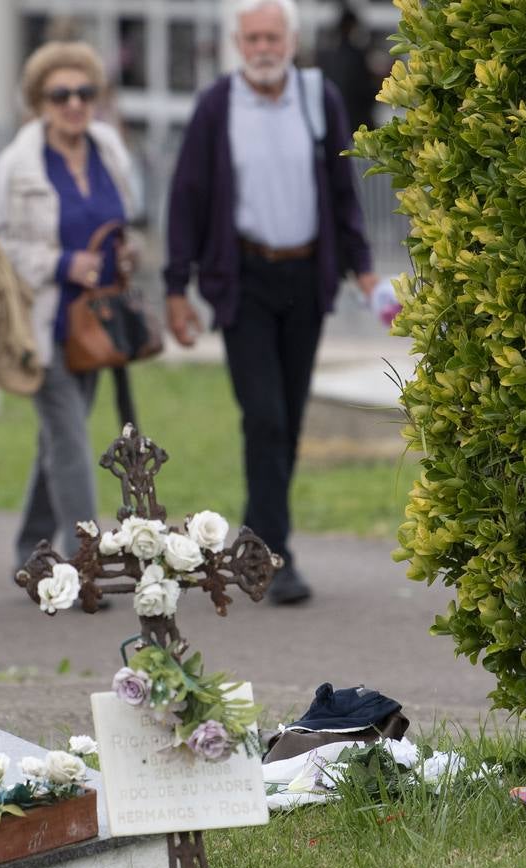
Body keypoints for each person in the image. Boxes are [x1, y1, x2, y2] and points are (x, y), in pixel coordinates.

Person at [163, 0, 377, 605]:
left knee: (288, 422)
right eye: (252, 36)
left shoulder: (318, 98)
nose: (262, 46)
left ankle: (256, 545)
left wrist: (362, 267)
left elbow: (342, 189)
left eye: (271, 35)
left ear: (290, 39)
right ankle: (272, 557)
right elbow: (188, 197)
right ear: (238, 41)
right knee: (265, 417)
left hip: (306, 279)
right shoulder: (218, 106)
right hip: (246, 280)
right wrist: (176, 285)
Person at [0, 41, 139, 577]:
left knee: (58, 438)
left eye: (84, 92)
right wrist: (61, 262)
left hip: (96, 324)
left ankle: (29, 545)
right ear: (39, 102)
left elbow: (127, 217)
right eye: (60, 95)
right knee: (70, 436)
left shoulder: (108, 150)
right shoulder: (17, 164)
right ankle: (86, 559)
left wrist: (126, 253)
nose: (74, 104)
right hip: (40, 323)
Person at [318, 7, 378, 132]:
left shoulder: (327, 55)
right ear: (351, 27)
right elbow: (365, 90)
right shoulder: (356, 55)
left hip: (334, 121)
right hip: (356, 121)